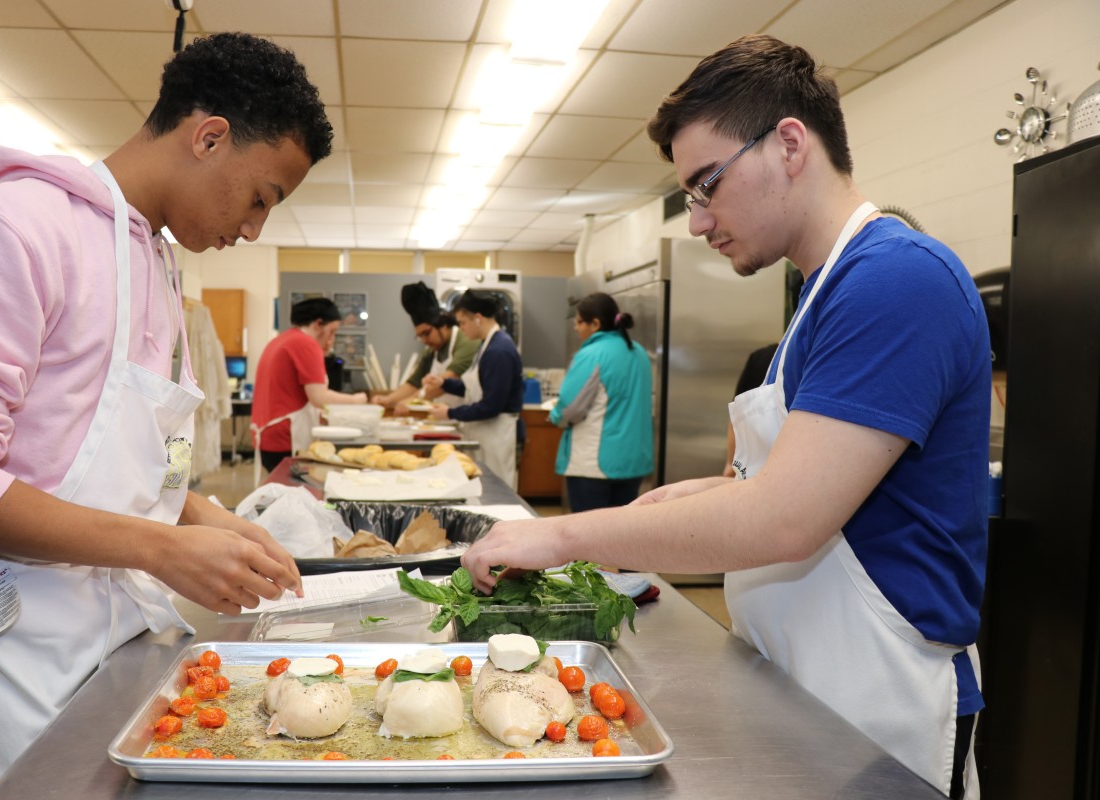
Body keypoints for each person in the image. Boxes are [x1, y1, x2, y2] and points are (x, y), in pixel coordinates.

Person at [462, 34, 990, 800]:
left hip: (881, 705)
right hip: (802, 687)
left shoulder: (897, 281)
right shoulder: (821, 296)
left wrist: (560, 535)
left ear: (788, 144)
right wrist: (699, 496)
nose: (699, 222)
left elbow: (785, 519)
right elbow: (783, 482)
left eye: (706, 185)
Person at [0, 32, 328, 799]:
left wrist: (196, 514)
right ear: (208, 137)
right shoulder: (8, 230)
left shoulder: (154, 266)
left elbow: (110, 457)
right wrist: (160, 547)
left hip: (108, 635)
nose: (255, 227)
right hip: (3, 645)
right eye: (261, 196)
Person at [553, 293, 653, 511]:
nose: (575, 328)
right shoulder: (639, 353)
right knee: (619, 537)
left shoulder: (592, 354)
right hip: (633, 462)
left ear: (595, 324)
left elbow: (570, 408)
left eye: (579, 322)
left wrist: (555, 417)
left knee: (587, 537)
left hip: (595, 466)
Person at [250, 297, 367, 478]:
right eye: (332, 332)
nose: (332, 339)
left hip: (268, 437)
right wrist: (357, 400)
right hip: (285, 438)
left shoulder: (282, 340)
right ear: (318, 324)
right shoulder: (305, 343)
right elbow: (319, 397)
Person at [423, 289, 524, 489]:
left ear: (478, 318)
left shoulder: (499, 351)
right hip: (486, 433)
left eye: (462, 323)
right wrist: (444, 383)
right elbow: (475, 388)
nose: (461, 329)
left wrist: (450, 413)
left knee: (497, 490)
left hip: (497, 435)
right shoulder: (486, 346)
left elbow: (491, 405)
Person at [370, 282, 479, 408]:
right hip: (442, 416)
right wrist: (388, 399)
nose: (424, 340)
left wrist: (410, 401)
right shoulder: (431, 352)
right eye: (420, 336)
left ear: (443, 325)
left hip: (464, 415)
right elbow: (414, 383)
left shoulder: (466, 342)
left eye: (426, 333)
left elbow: (445, 383)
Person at [723, 342, 779, 477]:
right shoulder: (762, 359)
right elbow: (737, 419)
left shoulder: (764, 358)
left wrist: (730, 467)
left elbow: (736, 422)